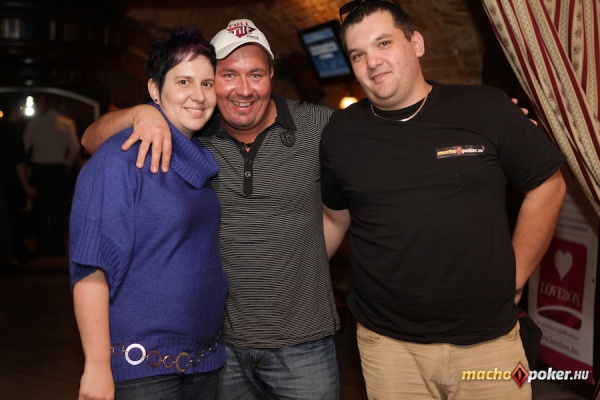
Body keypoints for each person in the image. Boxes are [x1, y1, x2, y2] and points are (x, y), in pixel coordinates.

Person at [81, 19, 341, 399]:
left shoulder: (318, 125)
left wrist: (300, 266)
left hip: (300, 344)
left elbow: (343, 209)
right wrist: (141, 113)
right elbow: (92, 140)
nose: (243, 89)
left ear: (271, 75)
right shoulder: (195, 133)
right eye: (227, 75)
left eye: (255, 74)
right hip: (223, 348)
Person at [320, 1, 567, 399]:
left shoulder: (486, 107)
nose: (372, 62)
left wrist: (516, 275)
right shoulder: (340, 132)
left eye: (384, 43)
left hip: (490, 340)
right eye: (358, 54)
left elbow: (548, 186)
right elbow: (334, 219)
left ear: (416, 43)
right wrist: (286, 280)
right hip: (388, 347)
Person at [70, 26, 228, 400]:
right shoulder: (120, 158)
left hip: (203, 359)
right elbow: (91, 269)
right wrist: (96, 365)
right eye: (184, 81)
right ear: (155, 89)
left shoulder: (200, 157)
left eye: (207, 83)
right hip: (144, 368)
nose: (198, 95)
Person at [23, 93, 80, 256]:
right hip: (57, 170)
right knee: (57, 209)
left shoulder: (35, 123)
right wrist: (67, 162)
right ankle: (57, 246)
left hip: (39, 169)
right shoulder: (66, 123)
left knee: (40, 209)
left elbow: (25, 146)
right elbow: (75, 148)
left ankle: (42, 244)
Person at [0, 97, 37, 266]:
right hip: (9, 181)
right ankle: (13, 254)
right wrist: (26, 185)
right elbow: (18, 161)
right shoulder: (13, 131)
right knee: (11, 218)